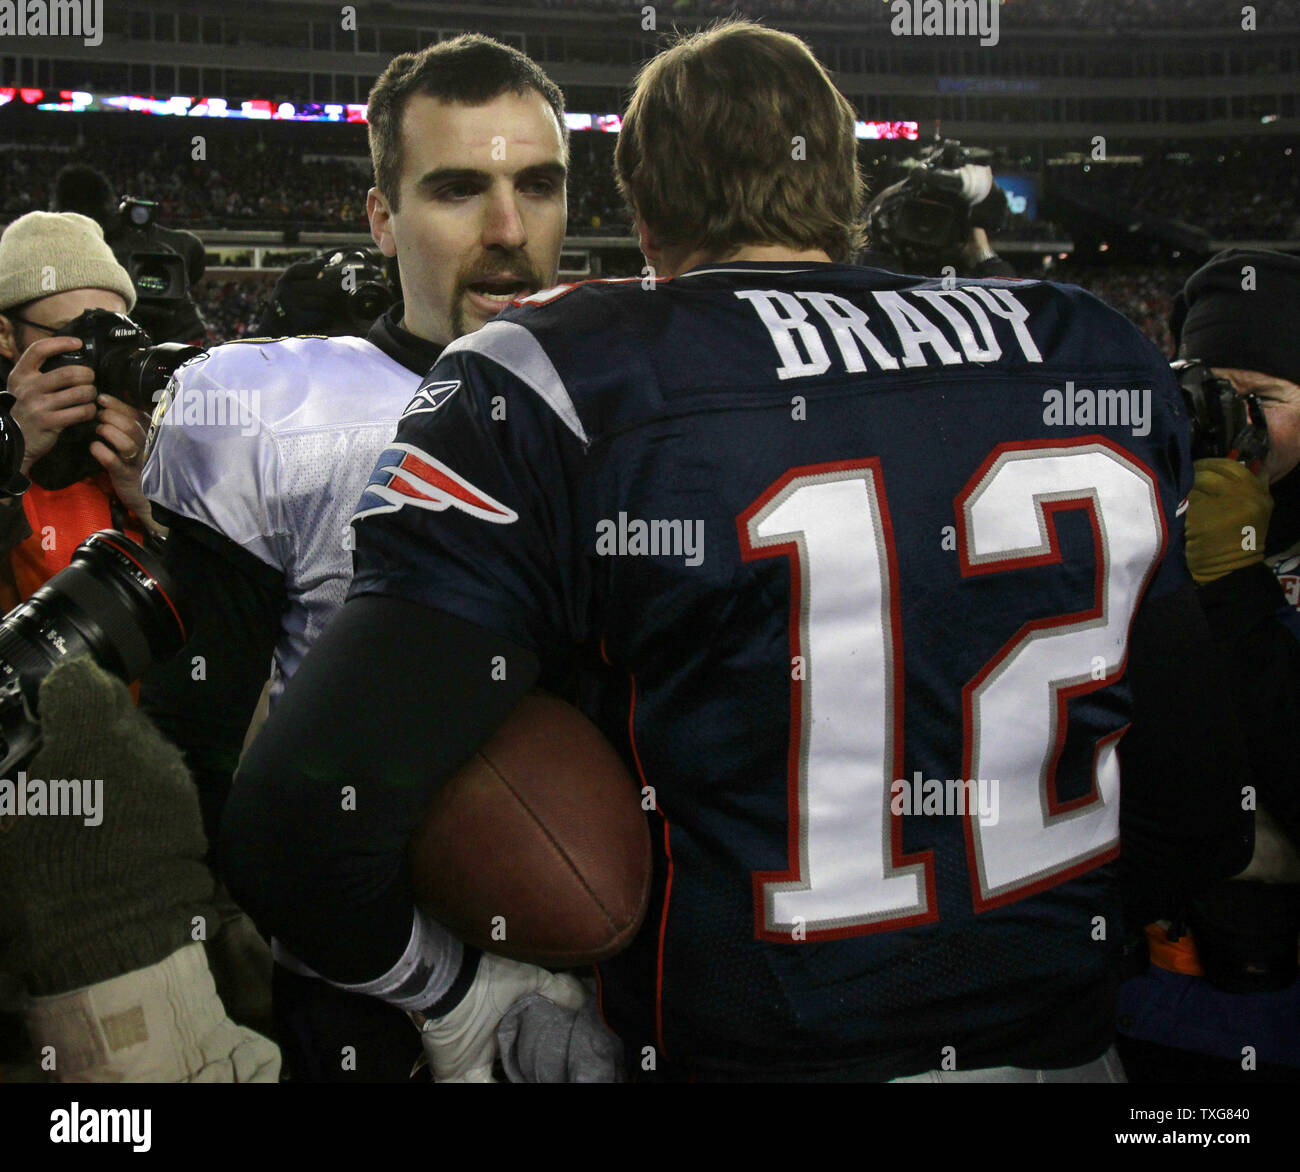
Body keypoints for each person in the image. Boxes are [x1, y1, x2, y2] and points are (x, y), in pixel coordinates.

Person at [223, 19, 1250, 1082]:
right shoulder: (1086, 348)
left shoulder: (561, 375)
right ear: (843, 184)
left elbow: (294, 826)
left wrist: (465, 999)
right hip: (1068, 1049)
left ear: (639, 208)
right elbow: (1197, 818)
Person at [140, 33, 573, 1081]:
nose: (509, 230)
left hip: (601, 946)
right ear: (382, 219)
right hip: (374, 984)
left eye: (539, 185)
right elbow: (194, 755)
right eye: (459, 189)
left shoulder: (631, 387)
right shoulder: (269, 411)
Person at [1117, 248, 1300, 1079]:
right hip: (1144, 1004)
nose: (1233, 421)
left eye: (1262, 399)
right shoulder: (1138, 520)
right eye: (1208, 392)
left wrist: (1235, 586)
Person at [0, 210, 161, 612]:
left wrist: (153, 504)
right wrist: (11, 453)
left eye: (112, 334)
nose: (100, 357)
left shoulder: (162, 439)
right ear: (5, 334)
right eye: (75, 334)